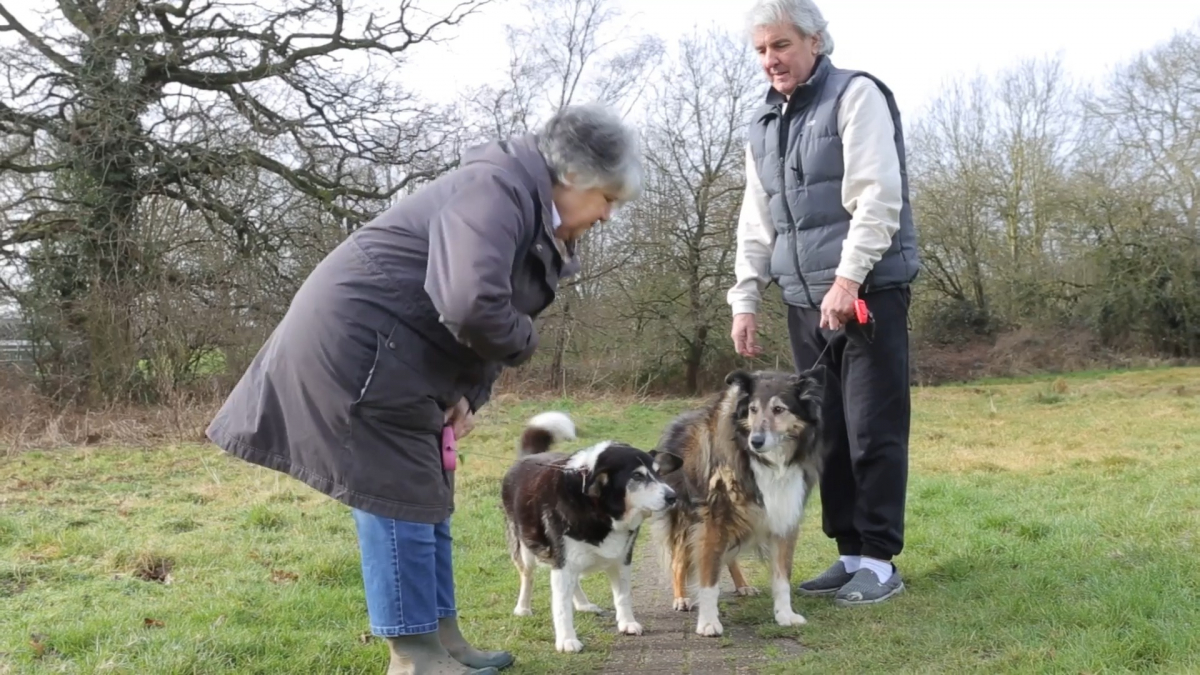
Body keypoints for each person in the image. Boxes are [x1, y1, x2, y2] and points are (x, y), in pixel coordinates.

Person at [205, 104, 642, 674]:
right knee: (399, 499)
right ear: (577, 177)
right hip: (362, 350)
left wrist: (470, 394)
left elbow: (482, 311)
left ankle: (443, 641)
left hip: (402, 355)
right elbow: (470, 303)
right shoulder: (496, 191)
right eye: (608, 198)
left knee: (430, 495)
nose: (607, 215)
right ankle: (414, 660)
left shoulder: (525, 208)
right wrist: (525, 341)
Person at [727, 0, 920, 607]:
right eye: (761, 50)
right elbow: (755, 219)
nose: (770, 61)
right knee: (824, 432)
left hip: (865, 294)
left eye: (780, 46)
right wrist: (745, 297)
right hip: (805, 298)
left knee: (872, 430)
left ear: (814, 41)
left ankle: (881, 560)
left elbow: (878, 196)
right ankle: (849, 554)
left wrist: (848, 279)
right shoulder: (763, 123)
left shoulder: (855, 96)